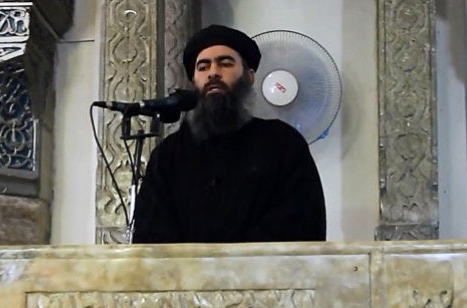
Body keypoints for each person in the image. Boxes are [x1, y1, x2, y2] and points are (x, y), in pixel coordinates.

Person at [131, 24, 326, 243]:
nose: (213, 72)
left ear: (249, 76)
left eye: (225, 63)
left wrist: (229, 263)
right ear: (194, 82)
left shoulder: (283, 144)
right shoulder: (169, 155)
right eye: (203, 67)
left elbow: (302, 224)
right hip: (186, 276)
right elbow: (151, 234)